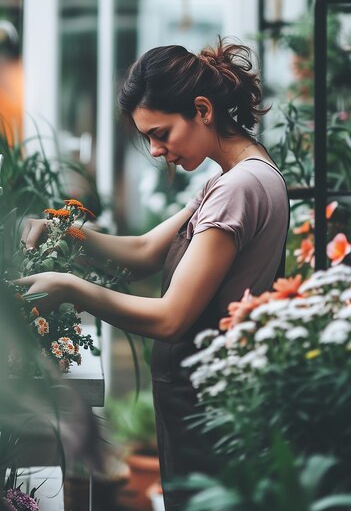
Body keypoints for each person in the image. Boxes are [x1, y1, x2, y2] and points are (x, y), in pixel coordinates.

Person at [19, 39, 290, 510]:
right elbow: (143, 251)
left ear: (202, 110)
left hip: (207, 409)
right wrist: (61, 230)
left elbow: (171, 318)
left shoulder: (239, 188)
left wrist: (67, 287)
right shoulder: (234, 178)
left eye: (161, 133)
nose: (156, 149)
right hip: (204, 403)